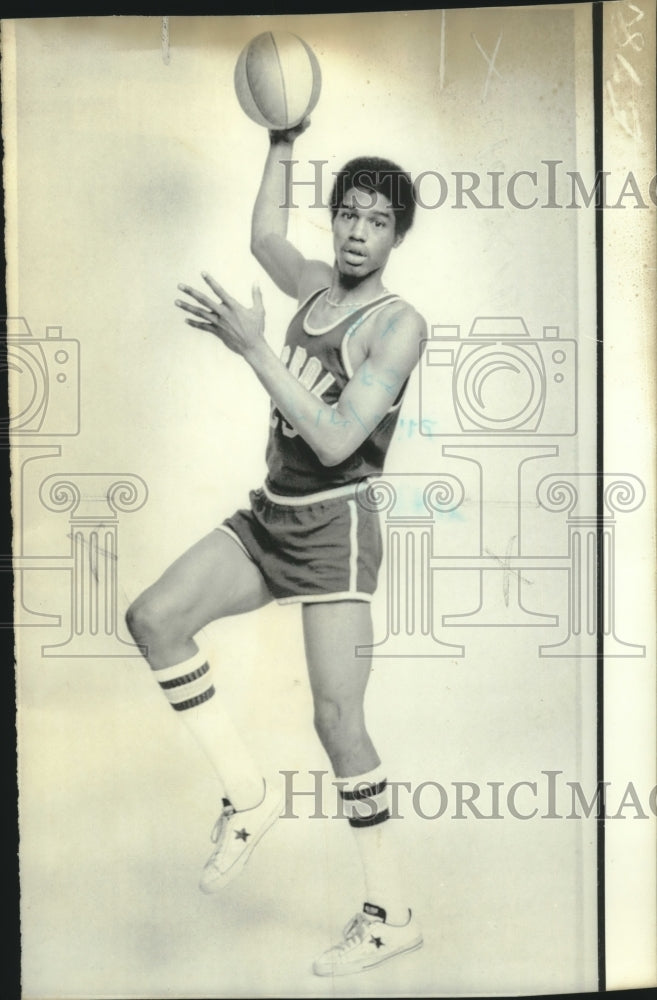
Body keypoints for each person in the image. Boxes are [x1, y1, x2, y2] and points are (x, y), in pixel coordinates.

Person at [125, 118, 426, 977]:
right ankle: (250, 798)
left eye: (375, 221)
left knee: (337, 722)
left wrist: (255, 345)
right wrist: (281, 140)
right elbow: (264, 235)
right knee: (153, 619)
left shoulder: (395, 326)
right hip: (271, 514)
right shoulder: (314, 284)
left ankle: (391, 913)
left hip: (335, 528)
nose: (356, 231)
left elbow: (334, 441)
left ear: (396, 237)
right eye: (347, 215)